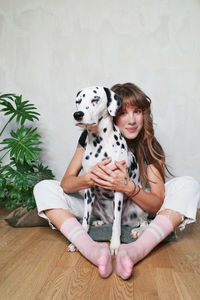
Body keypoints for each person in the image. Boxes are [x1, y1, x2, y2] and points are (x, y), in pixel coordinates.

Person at [33, 82, 200, 280]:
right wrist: (89, 179)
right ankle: (90, 248)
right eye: (123, 113)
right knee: (44, 188)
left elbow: (156, 204)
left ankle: (137, 249)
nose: (131, 120)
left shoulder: (147, 145)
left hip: (133, 208)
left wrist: (129, 188)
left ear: (144, 114)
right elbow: (66, 184)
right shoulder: (89, 139)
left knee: (188, 184)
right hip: (98, 207)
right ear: (110, 112)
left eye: (137, 111)